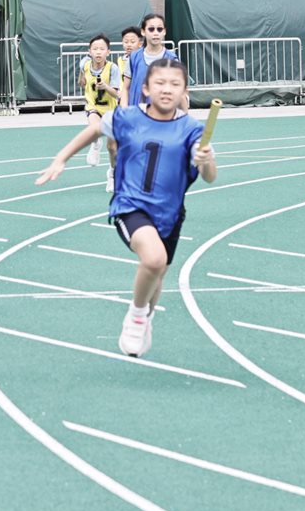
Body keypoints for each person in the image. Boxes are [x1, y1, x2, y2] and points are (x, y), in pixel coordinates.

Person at [37, 56, 216, 357]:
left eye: (175, 84)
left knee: (157, 275)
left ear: (185, 92)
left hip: (170, 214)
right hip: (130, 205)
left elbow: (210, 176)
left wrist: (206, 160)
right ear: (145, 88)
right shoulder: (127, 117)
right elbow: (94, 130)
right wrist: (61, 158)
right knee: (155, 260)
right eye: (160, 83)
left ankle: (145, 318)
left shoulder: (191, 130)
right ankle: (136, 315)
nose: (167, 89)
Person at [78, 34, 122, 176]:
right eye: (95, 49)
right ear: (89, 51)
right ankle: (95, 144)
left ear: (108, 52)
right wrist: (81, 79)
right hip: (94, 107)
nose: (98, 52)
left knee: (112, 147)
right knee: (94, 126)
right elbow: (81, 77)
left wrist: (105, 87)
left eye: (102, 49)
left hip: (111, 110)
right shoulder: (85, 64)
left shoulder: (112, 68)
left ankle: (112, 174)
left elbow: (116, 94)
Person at [124, 13, 181, 110]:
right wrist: (124, 111)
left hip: (163, 114)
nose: (156, 33)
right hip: (136, 113)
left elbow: (178, 90)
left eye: (159, 29)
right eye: (151, 29)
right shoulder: (133, 57)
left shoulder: (172, 59)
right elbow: (125, 88)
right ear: (143, 31)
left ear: (164, 32)